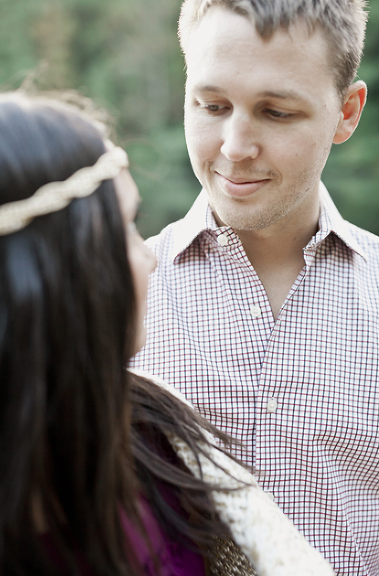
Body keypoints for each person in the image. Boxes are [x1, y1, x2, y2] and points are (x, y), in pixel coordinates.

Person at [0, 91, 334, 576]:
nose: (149, 256)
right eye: (126, 227)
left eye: (277, 111)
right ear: (62, 267)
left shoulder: (153, 429)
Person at [130, 1, 379, 574]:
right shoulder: (115, 293)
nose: (235, 147)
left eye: (276, 112)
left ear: (347, 113)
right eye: (212, 105)